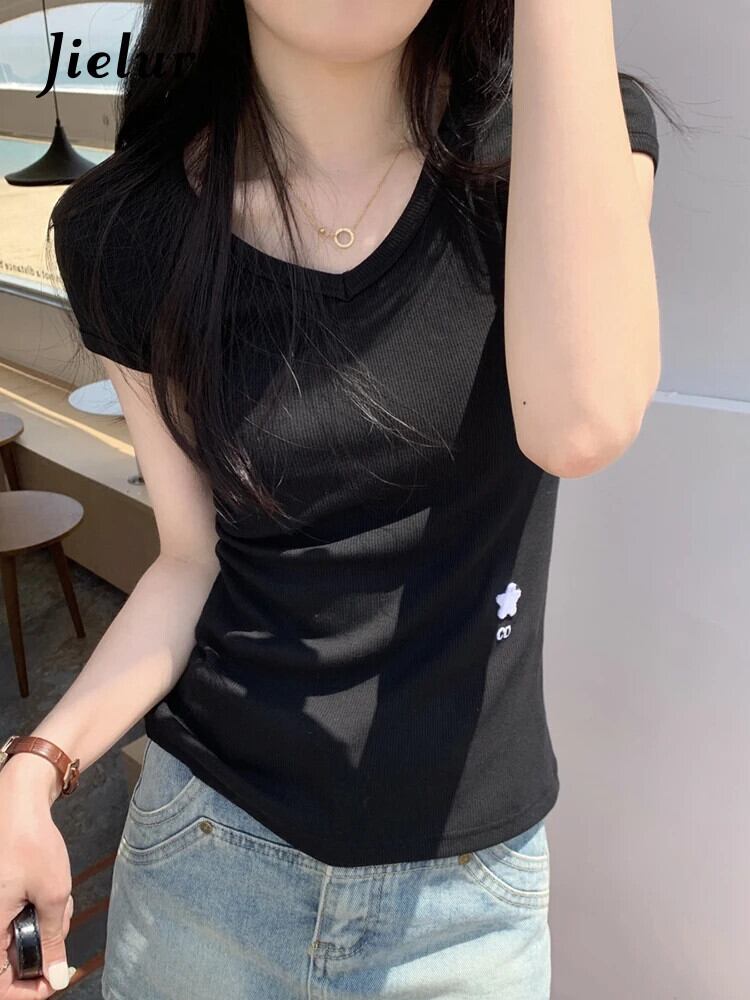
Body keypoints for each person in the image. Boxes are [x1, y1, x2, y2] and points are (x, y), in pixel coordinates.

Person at [0, 1, 664, 997]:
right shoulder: (128, 229)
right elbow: (191, 560)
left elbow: (580, 423)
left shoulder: (554, 152)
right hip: (204, 866)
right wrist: (36, 764)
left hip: (466, 911)